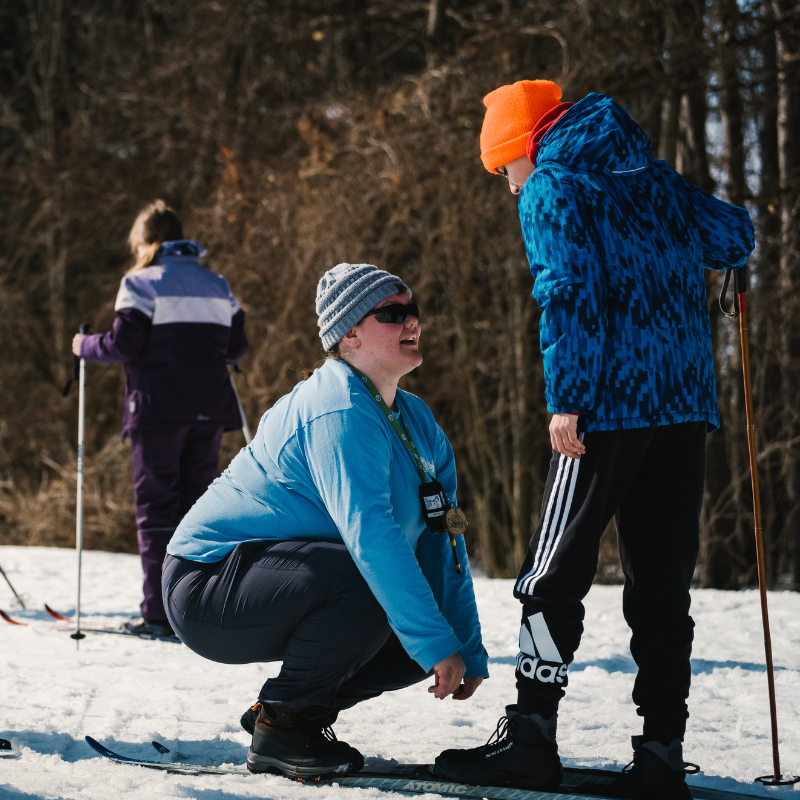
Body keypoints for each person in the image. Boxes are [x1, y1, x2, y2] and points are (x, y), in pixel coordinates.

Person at [433, 81, 754, 800]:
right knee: (663, 586)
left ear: (523, 144)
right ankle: (662, 754)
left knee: (552, 574)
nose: (507, 186)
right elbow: (733, 234)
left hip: (605, 408)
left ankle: (531, 739)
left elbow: (568, 291)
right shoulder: (650, 175)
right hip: (682, 410)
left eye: (501, 168)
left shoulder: (554, 186)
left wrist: (568, 400)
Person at [162, 262, 489, 778]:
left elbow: (443, 540)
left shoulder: (418, 421)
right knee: (374, 583)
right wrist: (438, 641)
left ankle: (289, 715)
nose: (413, 323)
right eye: (393, 313)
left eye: (414, 311)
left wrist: (462, 644)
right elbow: (372, 538)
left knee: (421, 637)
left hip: (295, 576)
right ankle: (284, 723)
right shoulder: (337, 409)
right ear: (350, 333)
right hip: (208, 582)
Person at [73, 200, 248, 638]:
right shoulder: (218, 284)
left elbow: (123, 344)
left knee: (156, 511)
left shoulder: (140, 282)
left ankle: (157, 613)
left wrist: (83, 345)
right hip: (209, 411)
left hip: (157, 412)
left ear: (146, 241)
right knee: (197, 511)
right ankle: (192, 611)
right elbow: (235, 348)